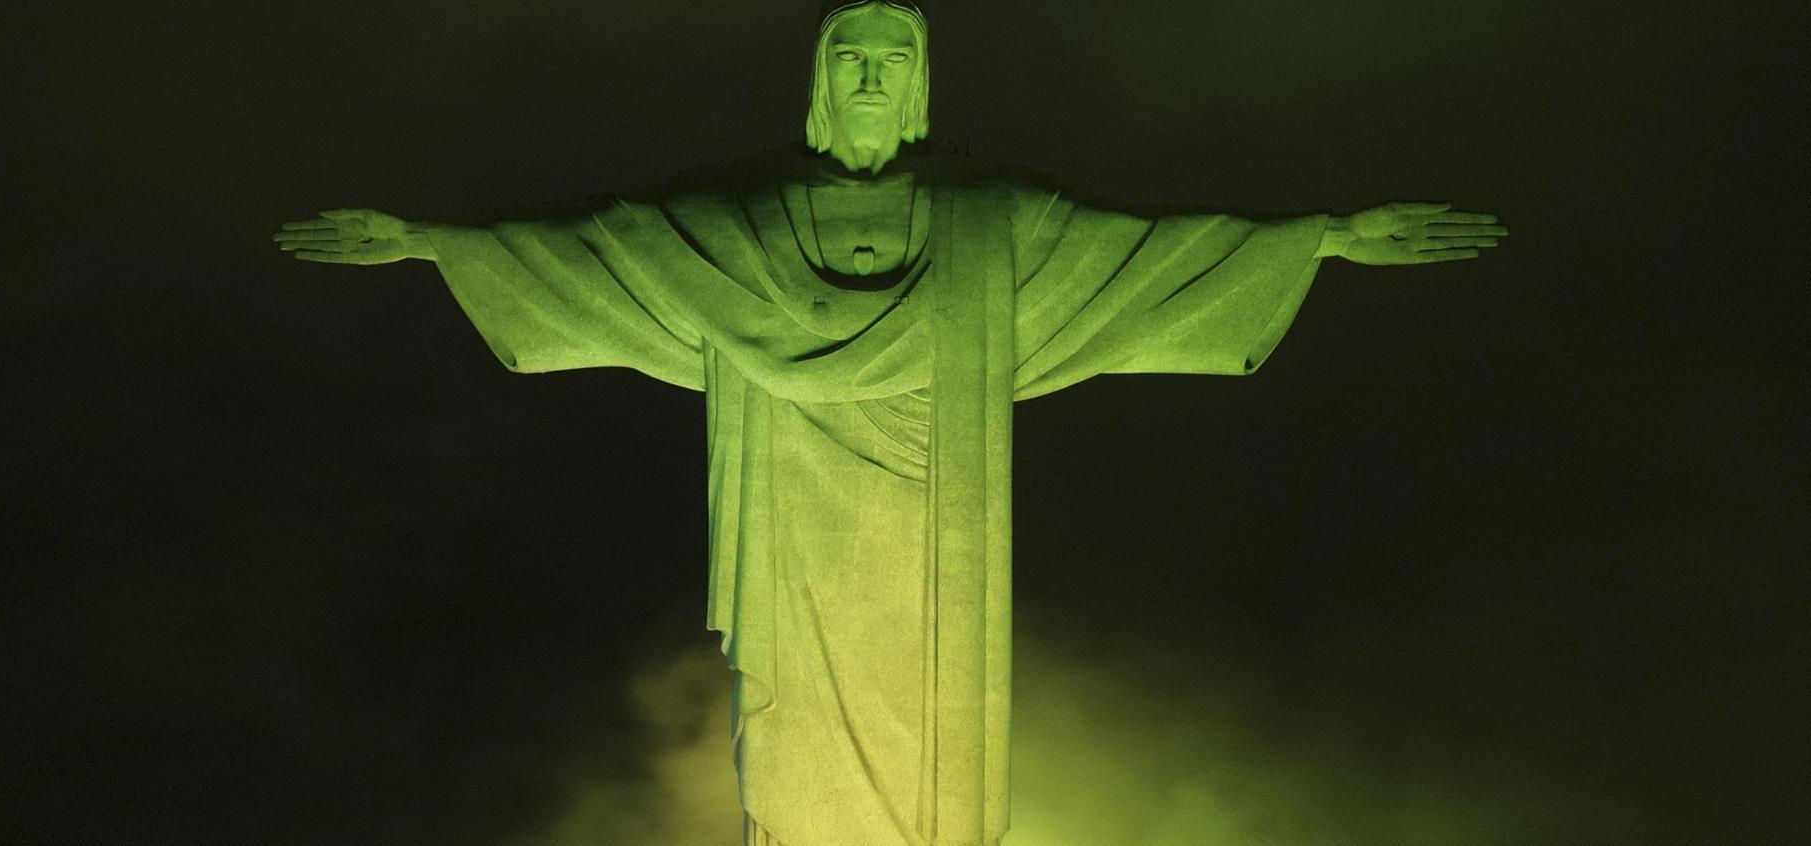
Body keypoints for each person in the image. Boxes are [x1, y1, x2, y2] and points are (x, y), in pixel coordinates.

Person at [274, 2, 1505, 844]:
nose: (871, 77)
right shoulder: (747, 220)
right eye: (851, 57)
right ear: (821, 78)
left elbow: (1148, 254)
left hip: (935, 536)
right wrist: (432, 245)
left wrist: (1328, 237)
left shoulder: (990, 227)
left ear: (919, 84)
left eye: (891, 61)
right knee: (797, 735)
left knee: (932, 759)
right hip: (801, 526)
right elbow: (608, 257)